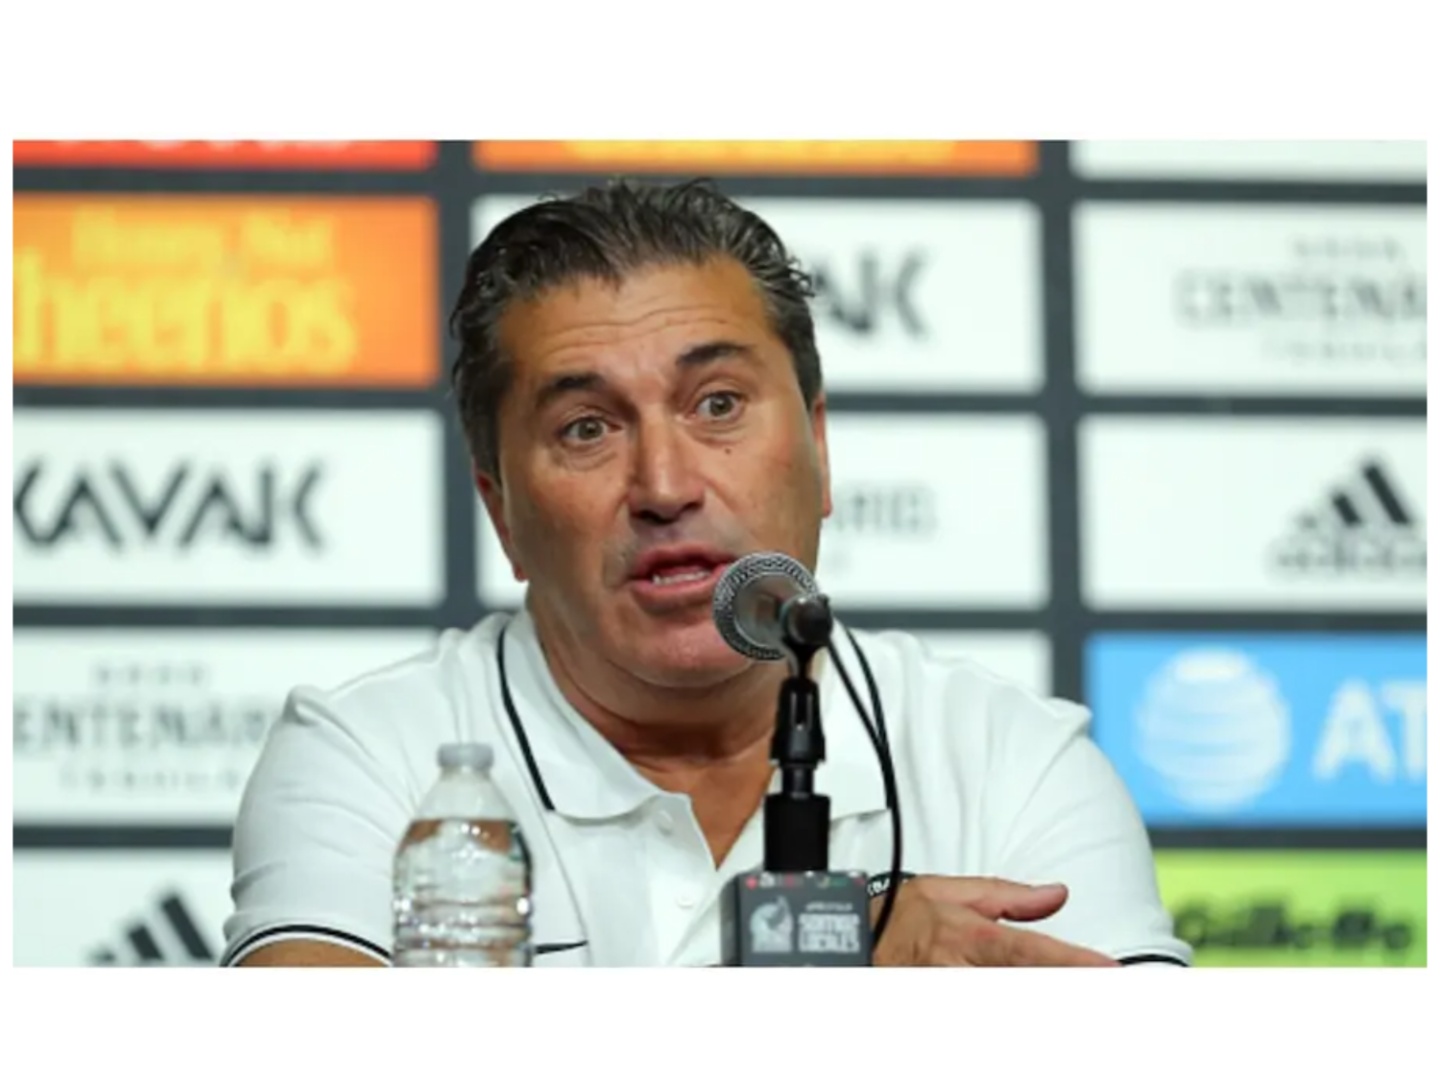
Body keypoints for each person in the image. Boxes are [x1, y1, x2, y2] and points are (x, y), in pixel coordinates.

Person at [222, 178, 1191, 968]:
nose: (665, 485)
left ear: (818, 447)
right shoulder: (377, 755)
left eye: (718, 404)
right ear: (502, 510)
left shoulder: (1008, 760)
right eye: (587, 428)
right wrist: (826, 973)